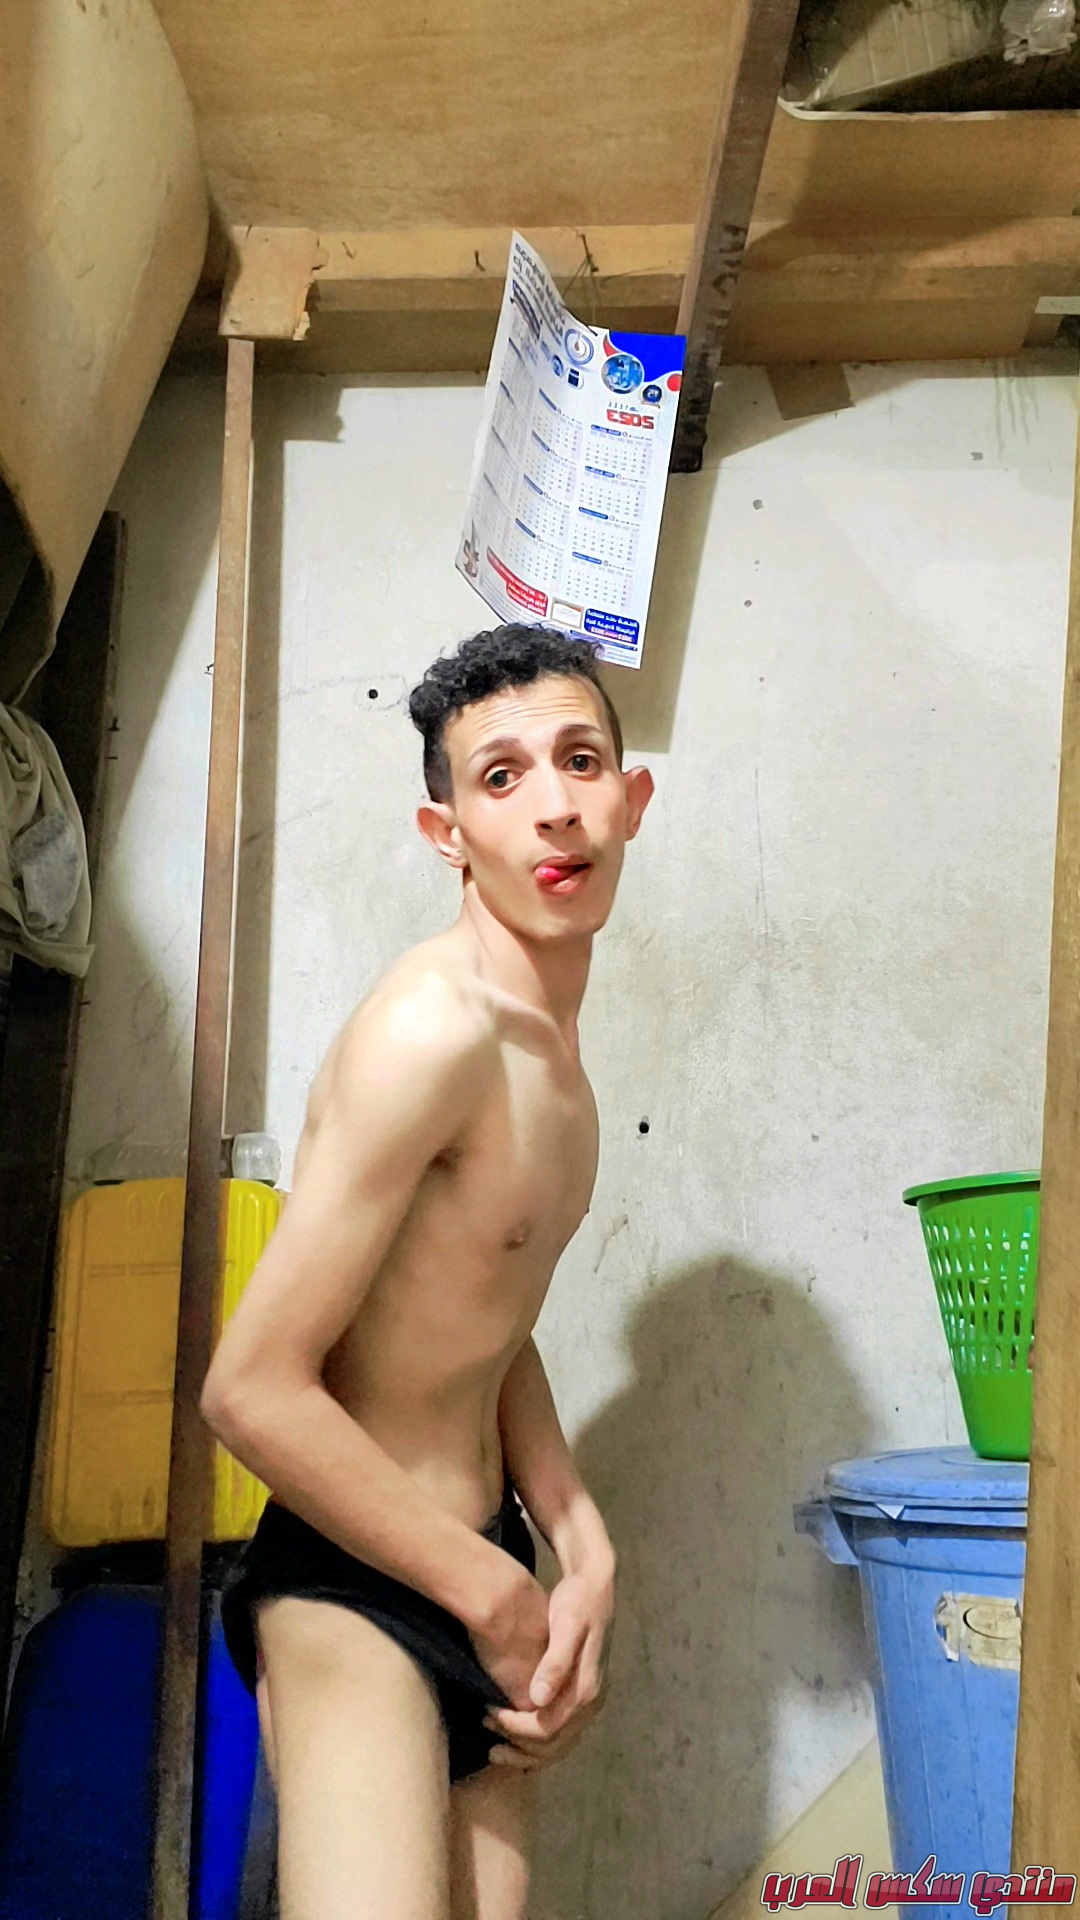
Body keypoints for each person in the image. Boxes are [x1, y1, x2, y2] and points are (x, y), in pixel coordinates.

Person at [204, 623, 654, 1920]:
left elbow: (485, 1321)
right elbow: (250, 1389)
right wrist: (493, 1593)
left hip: (488, 1562)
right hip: (361, 1578)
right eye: (501, 777)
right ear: (444, 832)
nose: (554, 806)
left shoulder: (557, 1065)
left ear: (632, 800)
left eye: (580, 761)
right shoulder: (431, 1028)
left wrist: (577, 1536)